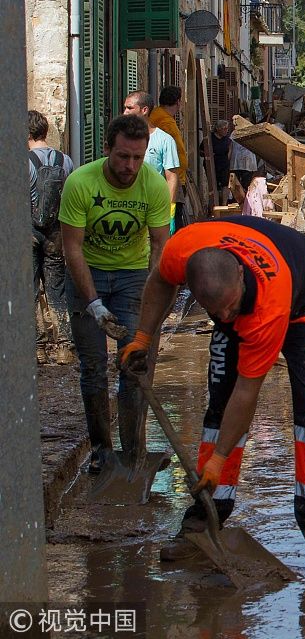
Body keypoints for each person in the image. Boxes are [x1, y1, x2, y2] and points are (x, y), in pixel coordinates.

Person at [119, 216, 305, 574]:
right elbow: (161, 281)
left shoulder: (268, 306)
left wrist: (219, 458)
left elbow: (248, 391)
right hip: (255, 279)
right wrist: (143, 338)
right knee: (218, 405)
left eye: (229, 306)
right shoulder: (182, 249)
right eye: (214, 311)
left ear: (240, 275)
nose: (224, 315)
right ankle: (206, 516)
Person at [58, 114, 171, 474]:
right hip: (86, 271)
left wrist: (151, 302)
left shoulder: (152, 185)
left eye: (137, 158)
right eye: (123, 157)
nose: (130, 166)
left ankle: (133, 451)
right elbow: (71, 249)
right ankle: (102, 452)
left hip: (132, 276)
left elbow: (159, 247)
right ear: (107, 149)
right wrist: (92, 304)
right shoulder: (79, 183)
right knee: (92, 367)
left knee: (134, 365)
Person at [29, 110, 77, 365]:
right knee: (57, 288)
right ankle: (65, 347)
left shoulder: (22, 161)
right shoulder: (65, 160)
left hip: (29, 230)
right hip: (56, 232)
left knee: (32, 289)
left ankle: (37, 347)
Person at [123, 91, 180, 215]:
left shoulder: (165, 140)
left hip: (152, 208)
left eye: (130, 108)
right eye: (125, 108)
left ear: (144, 110)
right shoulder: (121, 139)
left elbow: (171, 178)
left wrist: (169, 211)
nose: (125, 112)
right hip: (124, 208)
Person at [151, 86, 188, 229]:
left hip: (172, 174)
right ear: (178, 102)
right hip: (171, 176)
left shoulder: (160, 117)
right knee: (174, 217)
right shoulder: (165, 121)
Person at [210, 120, 232, 205]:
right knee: (214, 185)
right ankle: (214, 203)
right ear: (218, 129)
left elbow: (230, 147)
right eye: (224, 129)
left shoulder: (227, 139)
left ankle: (224, 204)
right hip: (214, 164)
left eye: (227, 128)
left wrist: (227, 158)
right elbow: (202, 151)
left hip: (224, 164)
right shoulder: (211, 138)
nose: (226, 130)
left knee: (225, 184)